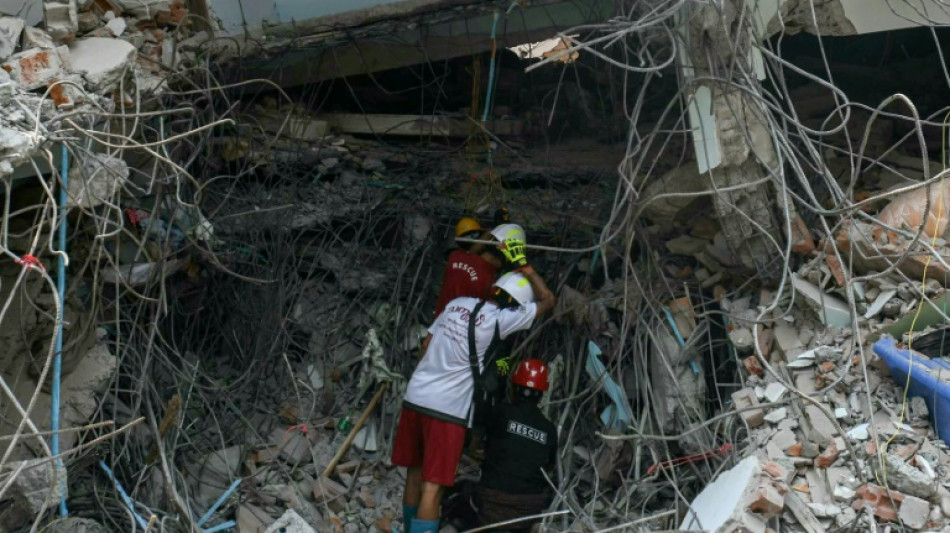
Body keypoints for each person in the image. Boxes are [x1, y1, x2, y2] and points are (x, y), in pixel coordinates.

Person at [392, 255, 556, 533]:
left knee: (414, 474)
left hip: (416, 398)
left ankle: (408, 528)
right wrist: (526, 268)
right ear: (514, 303)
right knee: (433, 487)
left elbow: (426, 346)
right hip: (447, 411)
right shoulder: (498, 320)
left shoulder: (456, 305)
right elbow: (548, 301)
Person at [475, 359, 557, 532]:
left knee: (460, 494)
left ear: (513, 387)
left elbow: (480, 433)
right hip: (528, 508)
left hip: (493, 501)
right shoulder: (549, 429)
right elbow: (549, 465)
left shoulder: (501, 412)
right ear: (542, 393)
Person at [432, 217, 501, 318]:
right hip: (462, 327)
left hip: (441, 320)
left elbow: (472, 251)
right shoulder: (486, 276)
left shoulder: (454, 257)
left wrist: (491, 230)